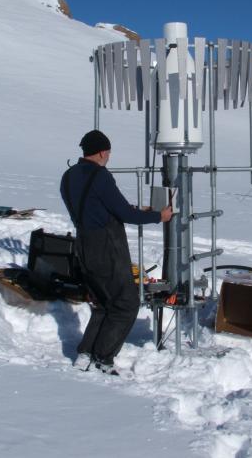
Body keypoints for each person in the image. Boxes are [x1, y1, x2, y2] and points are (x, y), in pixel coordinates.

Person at [60, 130, 172, 375]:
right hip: (107, 248)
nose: (109, 156)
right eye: (108, 152)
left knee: (103, 302)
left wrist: (134, 209)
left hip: (83, 246)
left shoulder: (68, 176)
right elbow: (125, 214)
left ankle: (85, 354)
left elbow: (96, 206)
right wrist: (159, 216)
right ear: (102, 152)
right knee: (126, 303)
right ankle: (103, 358)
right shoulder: (100, 176)